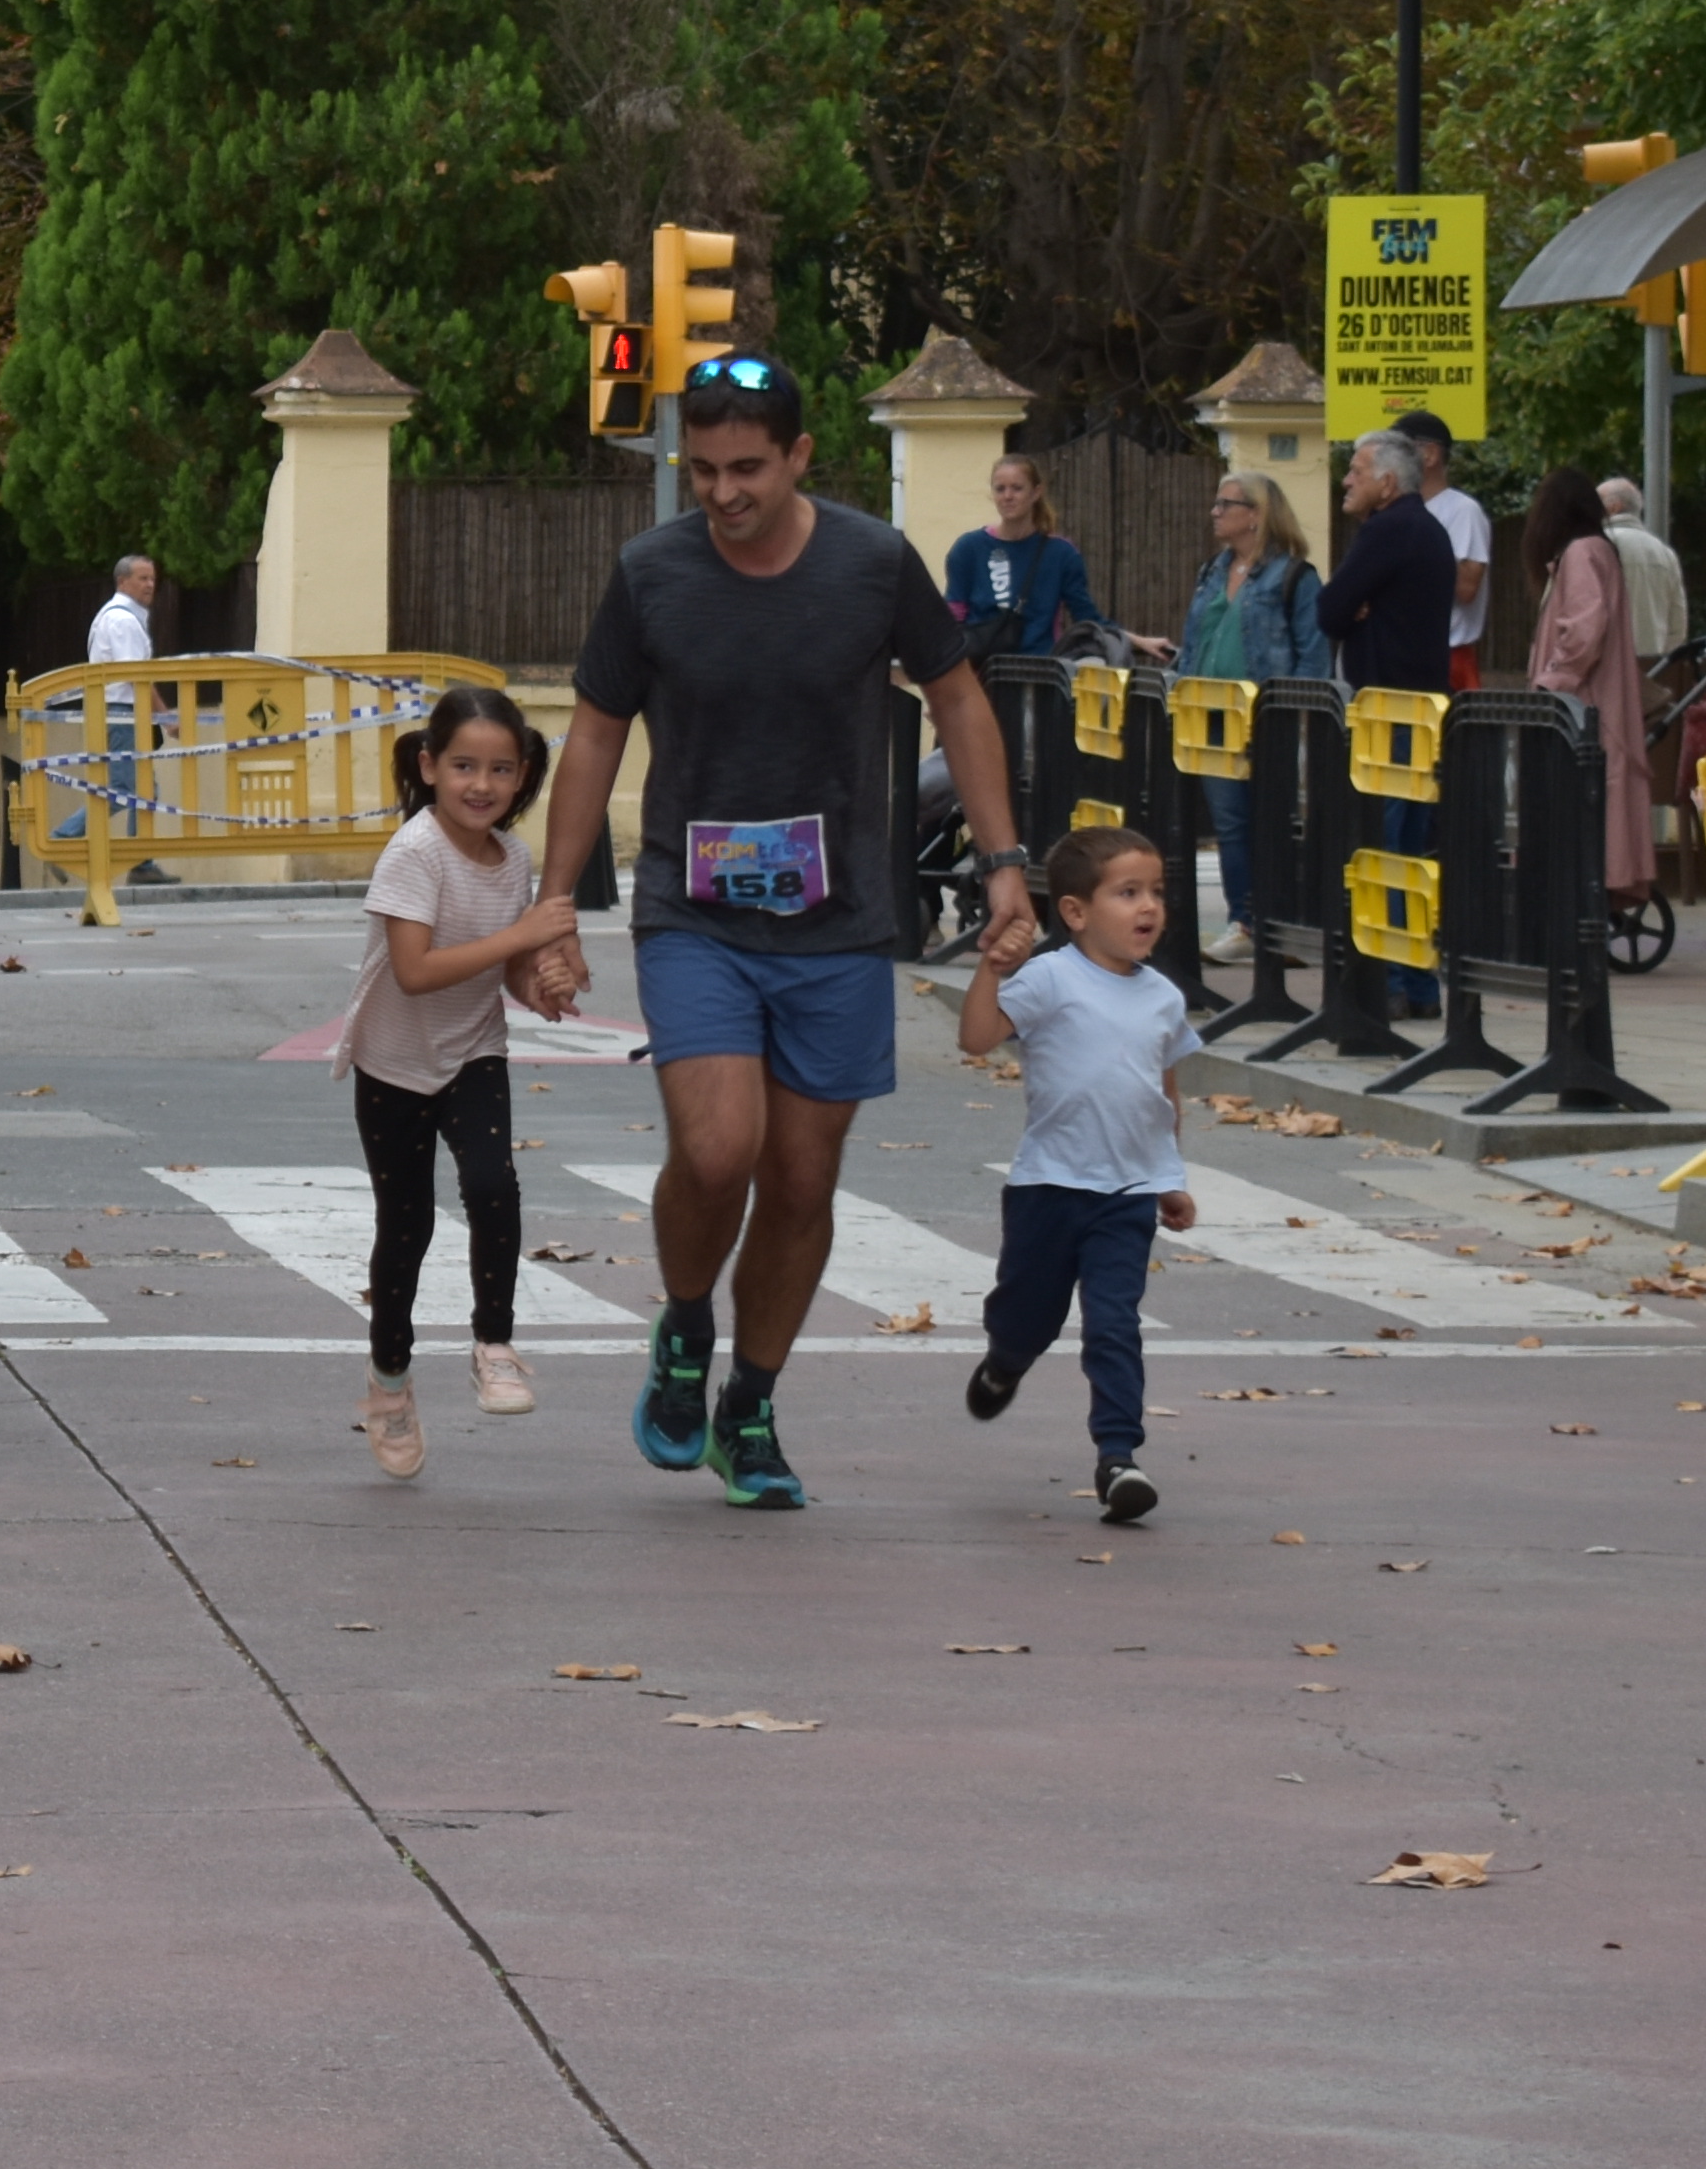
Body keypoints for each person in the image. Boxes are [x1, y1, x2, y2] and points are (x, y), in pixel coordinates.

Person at [546, 353, 1038, 1513]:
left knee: (805, 1177)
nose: (725, 491)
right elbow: (597, 730)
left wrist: (1004, 861)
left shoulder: (871, 562)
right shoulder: (653, 571)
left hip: (840, 919)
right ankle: (685, 1325)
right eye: (705, 469)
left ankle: (750, 1407)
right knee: (720, 1149)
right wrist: (553, 902)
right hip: (694, 913)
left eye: (749, 468)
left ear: (801, 456)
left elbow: (958, 698)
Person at [345, 685, 592, 1476]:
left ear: (523, 778)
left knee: (493, 1185)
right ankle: (389, 1381)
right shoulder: (414, 853)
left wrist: (540, 985)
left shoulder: (512, 859)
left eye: (500, 769)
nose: (481, 785)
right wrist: (523, 937)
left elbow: (505, 971)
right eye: (463, 766)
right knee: (407, 1226)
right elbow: (414, 972)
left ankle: (495, 1344)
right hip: (392, 1064)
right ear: (429, 767)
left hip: (473, 1051)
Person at [962, 824, 1196, 1522]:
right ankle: (1006, 1359)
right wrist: (992, 970)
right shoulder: (1050, 978)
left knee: (1114, 1323)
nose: (1148, 906)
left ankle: (1118, 1457)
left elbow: (1163, 1093)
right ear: (1075, 911)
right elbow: (976, 1038)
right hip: (1048, 1185)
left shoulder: (1163, 996)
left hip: (1125, 1195)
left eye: (1156, 892)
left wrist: (1169, 1177)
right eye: (1128, 893)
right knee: (1028, 1314)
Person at [1312, 434, 1455, 1011]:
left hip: (1389, 712)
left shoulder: (1387, 531)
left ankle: (1393, 981)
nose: (1347, 480)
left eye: (1357, 470)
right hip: (1422, 710)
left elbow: (1329, 610)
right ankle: (1417, 984)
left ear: (1388, 483)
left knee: (1386, 846)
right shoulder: (1430, 530)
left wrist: (1353, 612)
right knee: (1411, 849)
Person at [1176, 473, 1326, 921]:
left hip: (1266, 720)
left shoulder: (1294, 576)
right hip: (1210, 716)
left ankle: (1277, 921)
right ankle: (1243, 920)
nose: (1215, 512)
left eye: (1226, 504)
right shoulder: (1212, 570)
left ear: (1256, 514)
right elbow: (1195, 641)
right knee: (1230, 824)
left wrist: (1293, 717)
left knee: (1272, 821)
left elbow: (1314, 655)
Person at [1521, 468, 1654, 906]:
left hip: (1581, 707)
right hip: (1597, 703)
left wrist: (1551, 682)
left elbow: (1583, 628)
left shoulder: (1579, 554)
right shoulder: (1597, 550)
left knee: (1583, 803)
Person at [940, 453, 1104, 660]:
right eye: (1000, 489)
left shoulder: (1062, 554)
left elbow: (1087, 619)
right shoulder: (968, 548)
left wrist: (1134, 640)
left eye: (1017, 488)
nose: (1008, 496)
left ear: (1036, 493)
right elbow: (954, 615)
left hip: (1040, 669)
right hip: (981, 670)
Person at [59, 551, 160, 852]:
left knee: (144, 788)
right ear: (122, 582)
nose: (150, 584)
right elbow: (134, 675)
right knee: (126, 789)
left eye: (152, 578)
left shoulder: (121, 616)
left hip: (122, 711)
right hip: (122, 713)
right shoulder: (122, 620)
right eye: (143, 578)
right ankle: (64, 837)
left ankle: (141, 861)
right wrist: (165, 715)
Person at [1390, 407, 1494, 696]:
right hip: (1401, 654)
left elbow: (1466, 588)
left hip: (1445, 658)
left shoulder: (1463, 511)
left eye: (1398, 450)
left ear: (1430, 455)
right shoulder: (1394, 511)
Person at [1595, 477, 1693, 671]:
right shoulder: (1665, 553)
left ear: (1614, 507)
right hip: (1651, 670)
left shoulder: (1591, 548)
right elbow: (1678, 626)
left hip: (1601, 671)